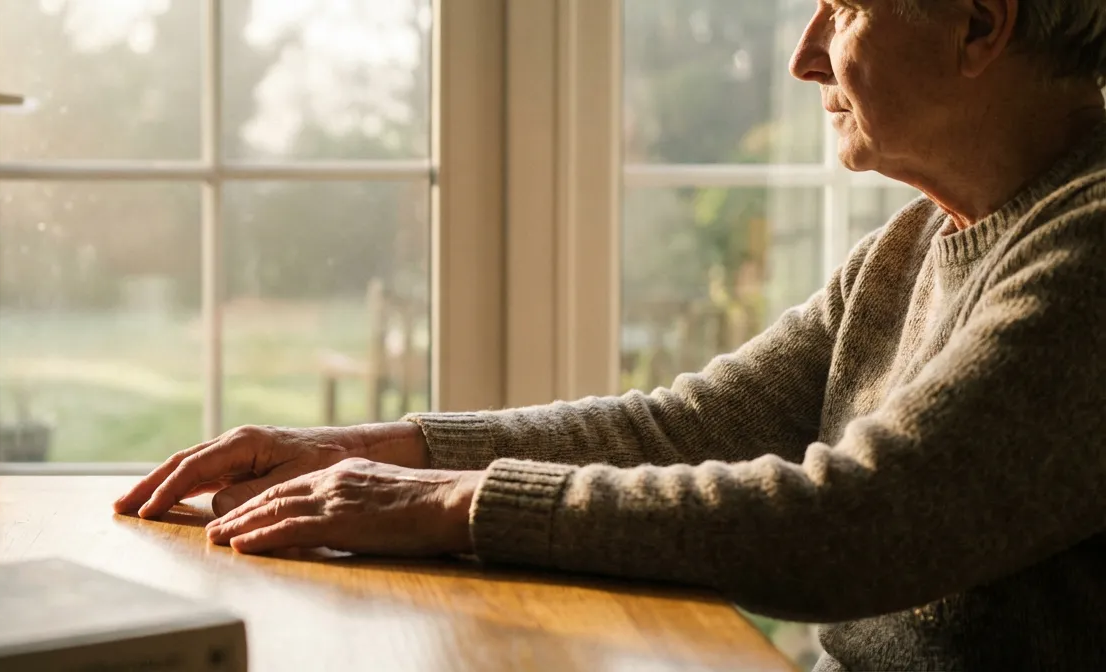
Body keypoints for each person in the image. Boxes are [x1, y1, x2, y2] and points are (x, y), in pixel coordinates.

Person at [116, 0, 1106, 669]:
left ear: (980, 25)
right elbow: (694, 424)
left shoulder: (1092, 246)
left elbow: (858, 521)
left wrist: (454, 503)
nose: (805, 55)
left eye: (843, 6)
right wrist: (374, 451)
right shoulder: (924, 237)